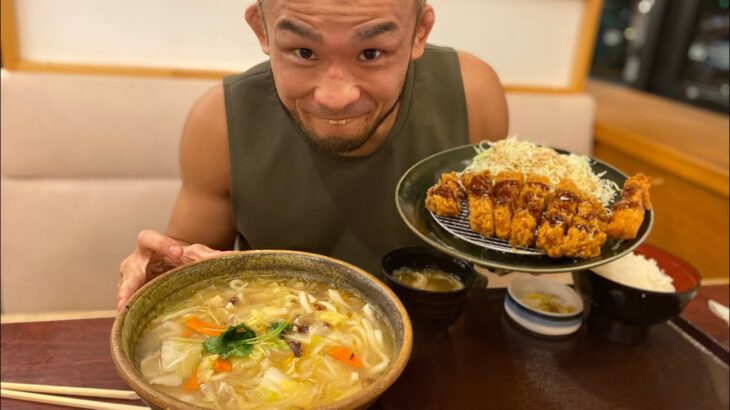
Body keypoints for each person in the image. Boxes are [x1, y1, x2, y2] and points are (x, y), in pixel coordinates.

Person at [116, 0, 508, 310]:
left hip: (442, 337)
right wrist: (160, 270)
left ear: (419, 31)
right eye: (304, 52)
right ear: (262, 29)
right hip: (283, 351)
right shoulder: (218, 120)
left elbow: (493, 236)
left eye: (371, 53)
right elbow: (189, 259)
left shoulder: (473, 95)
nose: (335, 98)